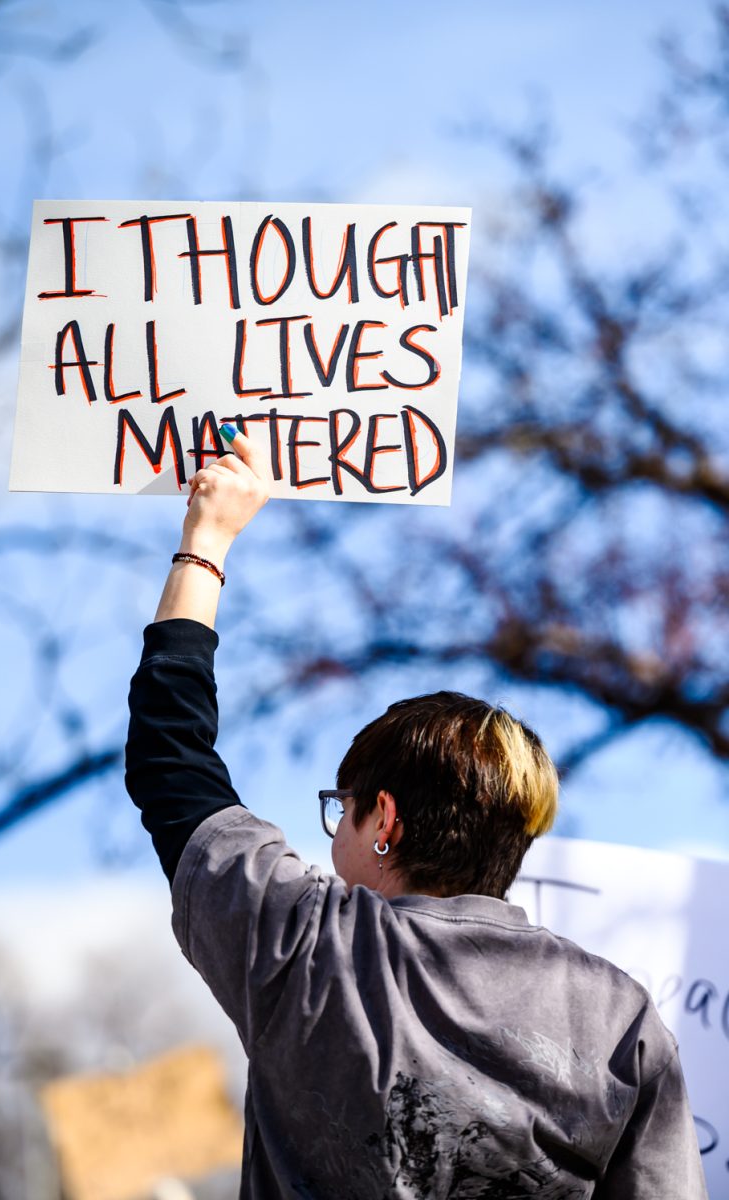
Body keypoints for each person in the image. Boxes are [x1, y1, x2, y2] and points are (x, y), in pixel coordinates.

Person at [125, 426, 707, 1200]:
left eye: (344, 810)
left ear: (385, 820)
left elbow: (172, 761)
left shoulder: (303, 946)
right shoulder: (619, 1020)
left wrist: (207, 539)